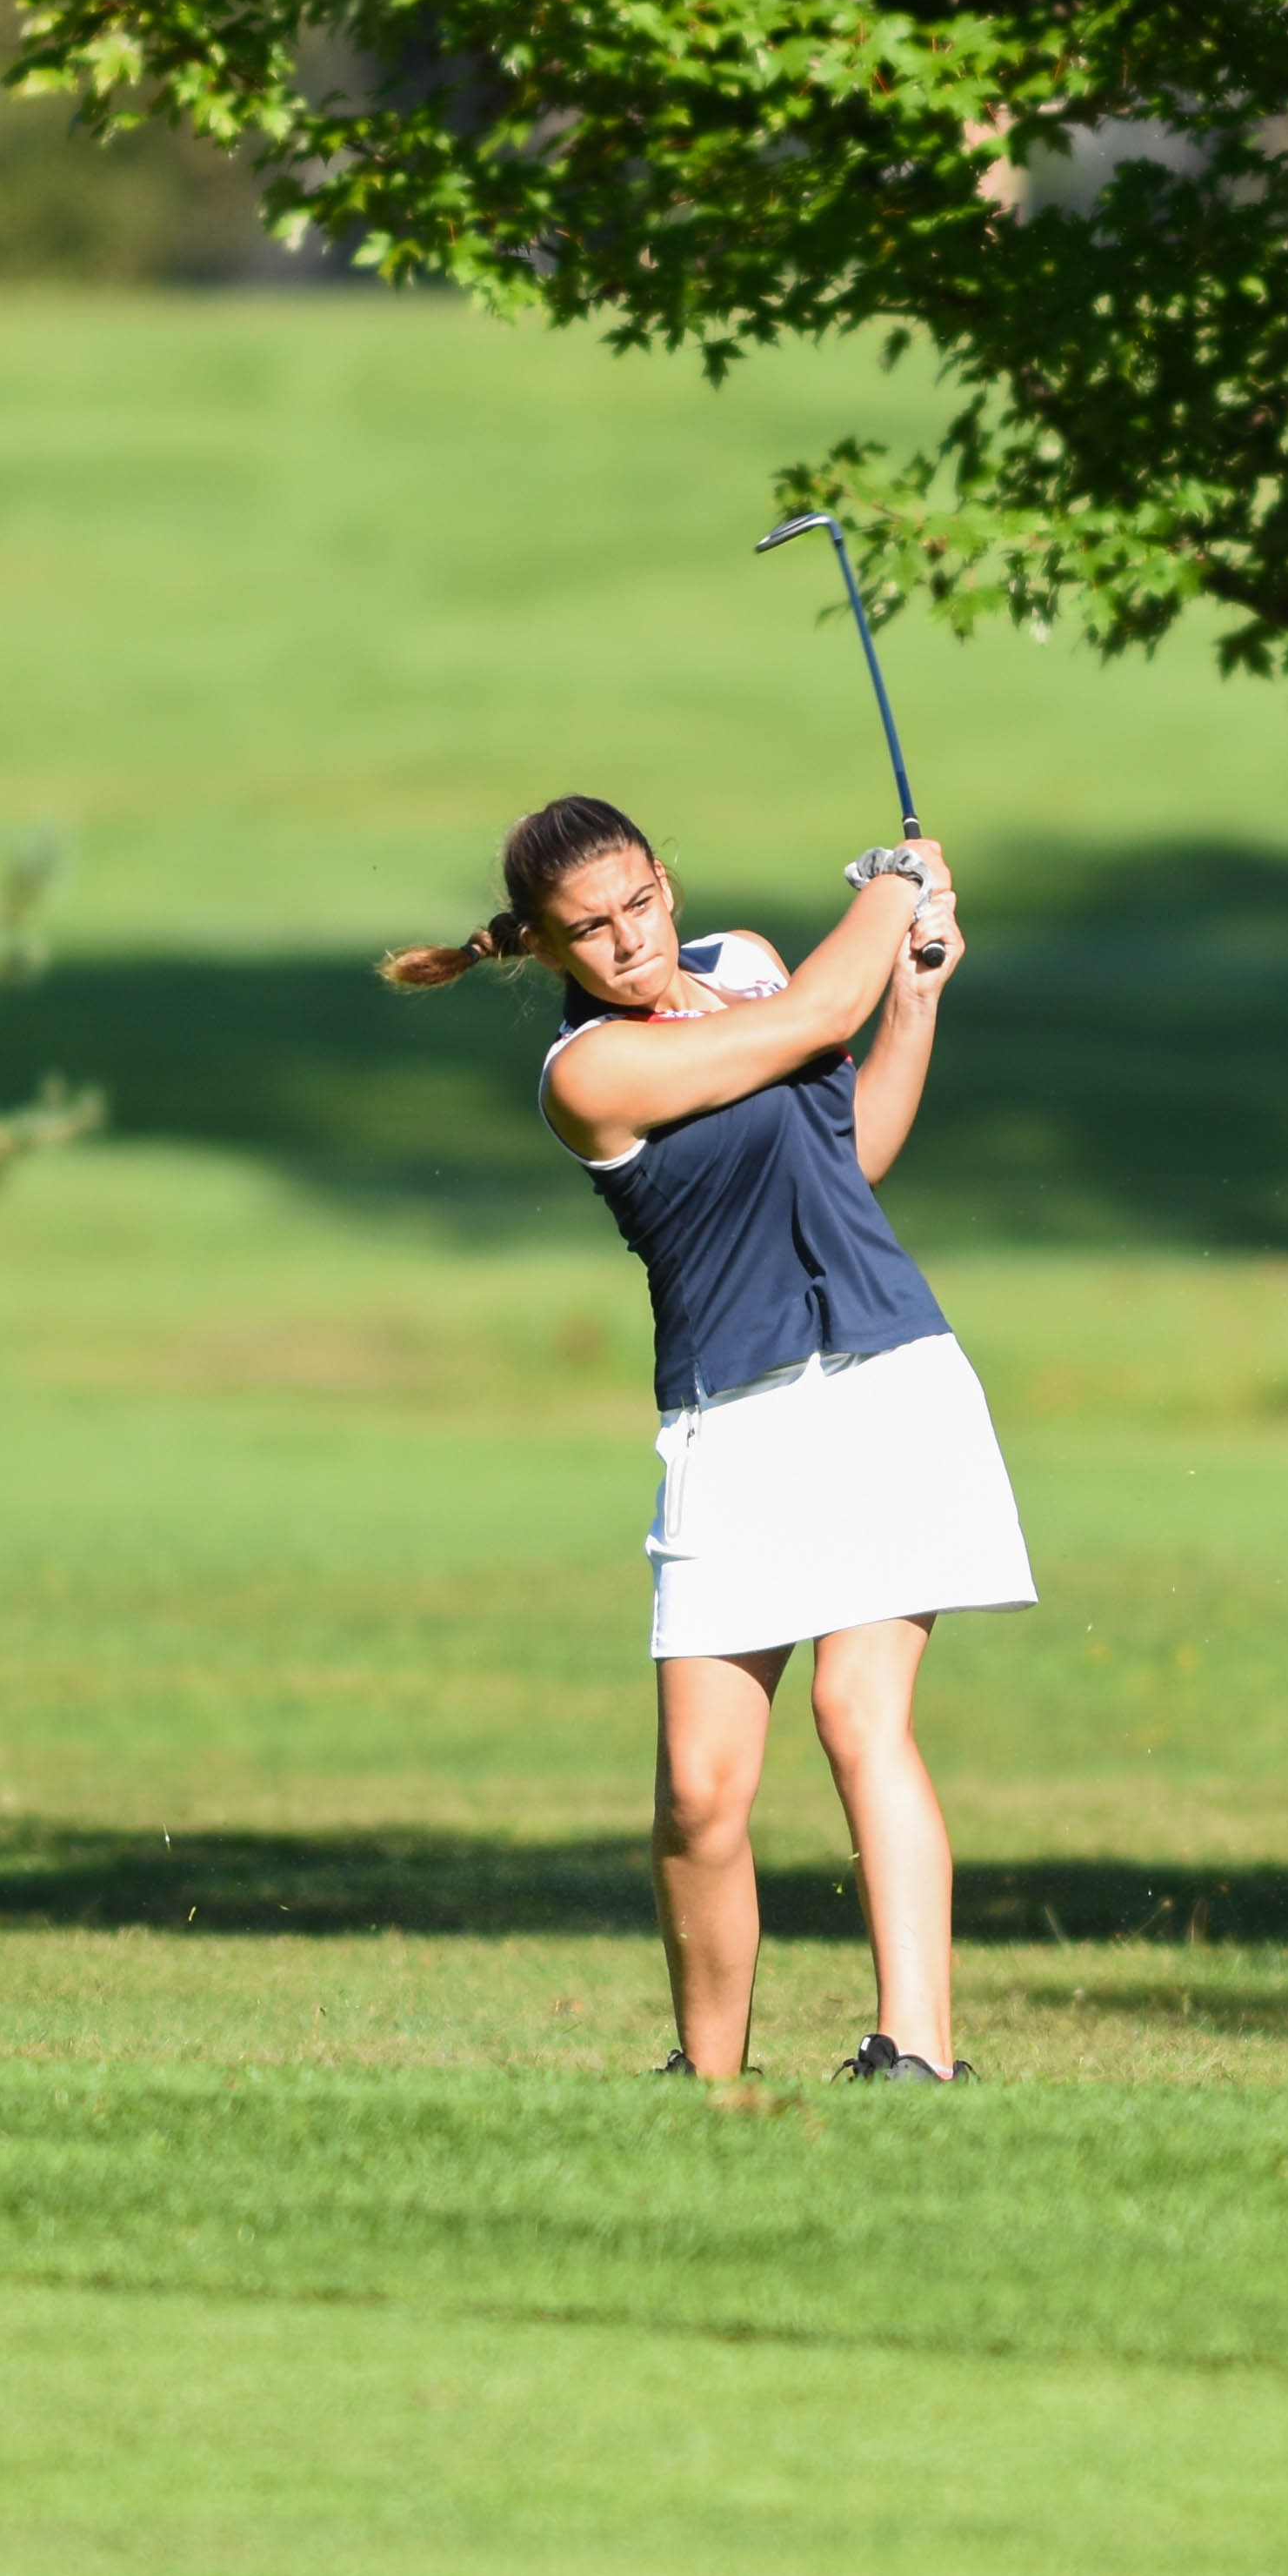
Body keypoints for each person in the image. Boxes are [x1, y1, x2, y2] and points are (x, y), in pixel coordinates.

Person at [385, 795, 1031, 2084]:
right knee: (699, 1793)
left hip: (890, 1377)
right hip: (735, 1423)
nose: (628, 942)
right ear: (551, 949)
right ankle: (710, 2077)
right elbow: (807, 1025)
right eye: (592, 931)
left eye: (637, 904)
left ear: (664, 884)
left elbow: (849, 1158)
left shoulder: (738, 963)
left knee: (861, 1715)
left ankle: (918, 2055)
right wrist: (896, 882)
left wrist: (915, 997)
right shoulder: (589, 1077)